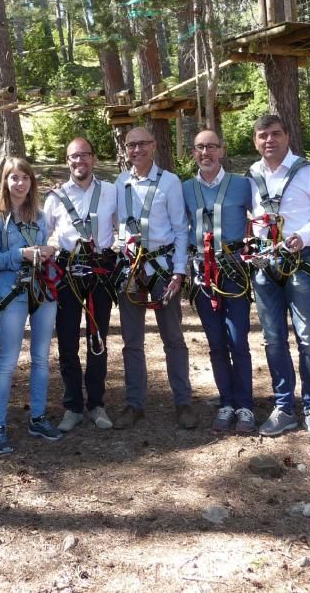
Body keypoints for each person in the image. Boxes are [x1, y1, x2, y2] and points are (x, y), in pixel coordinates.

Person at [247, 115, 310, 443]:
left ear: (287, 136)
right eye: (263, 136)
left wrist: (305, 235)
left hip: (302, 262)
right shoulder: (251, 176)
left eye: (275, 134)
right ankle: (284, 407)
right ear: (256, 141)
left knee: (308, 339)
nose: (269, 140)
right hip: (264, 267)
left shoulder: (309, 172)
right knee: (272, 340)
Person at [113, 126, 197, 430]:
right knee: (131, 341)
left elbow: (180, 229)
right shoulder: (120, 183)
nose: (136, 150)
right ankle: (134, 403)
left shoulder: (170, 182)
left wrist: (179, 271)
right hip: (131, 271)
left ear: (154, 145)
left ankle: (183, 402)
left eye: (142, 144)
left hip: (162, 270)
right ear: (125, 149)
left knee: (173, 338)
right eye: (130, 145)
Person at [0, 157, 62, 454]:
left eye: (24, 178)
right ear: (4, 182)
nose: (19, 184)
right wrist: (21, 254)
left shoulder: (40, 216)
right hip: (11, 292)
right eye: (13, 178)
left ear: (31, 182)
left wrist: (47, 250)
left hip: (42, 291)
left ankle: (38, 417)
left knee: (41, 357)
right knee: (8, 361)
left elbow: (50, 245)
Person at [182, 130, 255, 434]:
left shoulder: (242, 185)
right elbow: (175, 227)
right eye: (200, 147)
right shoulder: (185, 188)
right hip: (202, 274)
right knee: (215, 342)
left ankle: (245, 405)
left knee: (238, 340)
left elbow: (264, 219)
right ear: (193, 153)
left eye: (212, 147)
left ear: (223, 151)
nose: (206, 153)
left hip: (234, 272)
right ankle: (226, 402)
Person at [42, 137, 117, 432]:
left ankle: (96, 403)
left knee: (97, 340)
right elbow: (41, 234)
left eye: (85, 155)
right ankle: (72, 406)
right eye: (74, 156)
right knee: (68, 340)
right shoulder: (55, 198)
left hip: (99, 270)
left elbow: (125, 224)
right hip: (67, 273)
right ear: (67, 160)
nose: (79, 161)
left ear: (93, 159)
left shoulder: (110, 191)